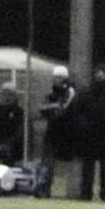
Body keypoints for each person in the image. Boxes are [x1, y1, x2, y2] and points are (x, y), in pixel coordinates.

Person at [71, 63, 105, 202]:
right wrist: (83, 125)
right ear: (94, 74)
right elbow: (78, 111)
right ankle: (86, 193)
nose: (100, 75)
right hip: (89, 134)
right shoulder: (86, 92)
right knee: (88, 166)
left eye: (103, 72)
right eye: (98, 72)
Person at [37, 65, 76, 198]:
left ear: (65, 78)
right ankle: (43, 188)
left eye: (59, 77)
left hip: (66, 132)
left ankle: (73, 191)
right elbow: (42, 108)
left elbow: (63, 109)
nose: (56, 80)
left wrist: (52, 109)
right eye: (55, 77)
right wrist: (53, 108)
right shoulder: (51, 93)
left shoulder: (70, 91)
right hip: (52, 131)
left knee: (60, 162)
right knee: (46, 160)